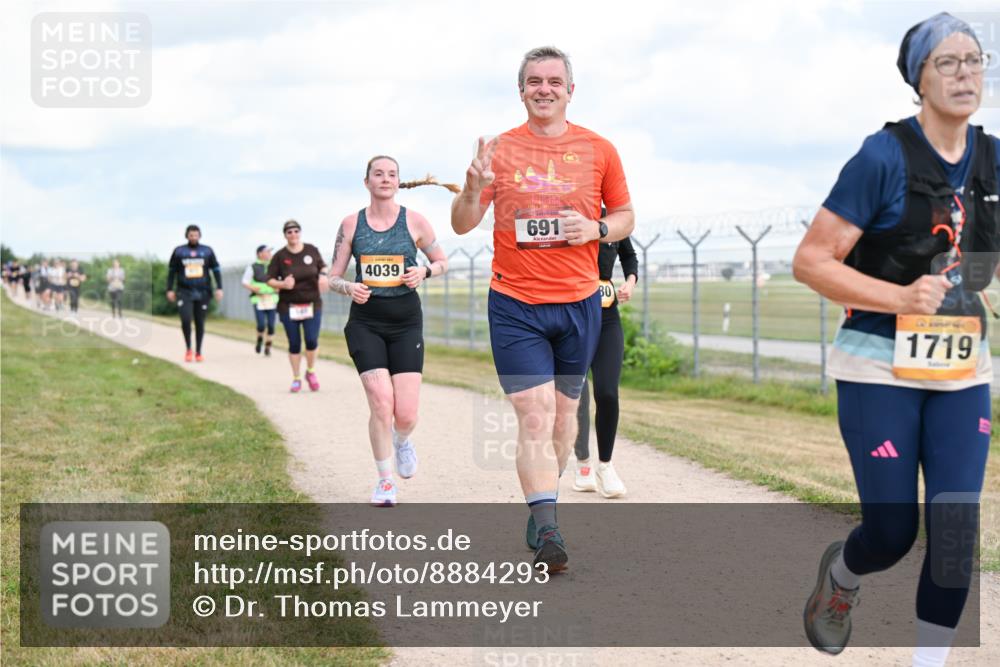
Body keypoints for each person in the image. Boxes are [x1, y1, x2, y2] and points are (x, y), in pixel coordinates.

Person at [793, 13, 998, 666]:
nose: (965, 73)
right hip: (877, 366)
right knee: (891, 531)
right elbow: (812, 260)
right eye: (947, 62)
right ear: (919, 78)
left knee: (956, 533)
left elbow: (987, 257)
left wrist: (975, 278)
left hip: (962, 369)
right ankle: (844, 578)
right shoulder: (882, 157)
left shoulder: (994, 159)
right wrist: (902, 297)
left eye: (975, 59)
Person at [451, 46, 634, 571]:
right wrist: (471, 189)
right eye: (535, 81)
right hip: (515, 302)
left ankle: (541, 503)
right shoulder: (500, 151)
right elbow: (463, 223)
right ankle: (550, 528)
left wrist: (598, 229)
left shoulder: (600, 149)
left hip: (579, 305)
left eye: (555, 81)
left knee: (563, 421)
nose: (544, 89)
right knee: (534, 415)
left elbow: (624, 216)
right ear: (522, 89)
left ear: (570, 90)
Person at [328, 157, 452, 507]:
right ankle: (385, 482)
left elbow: (442, 261)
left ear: (399, 182)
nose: (385, 179)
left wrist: (424, 273)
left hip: (405, 322)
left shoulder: (414, 221)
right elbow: (332, 277)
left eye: (391, 174)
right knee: (381, 403)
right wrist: (348, 288)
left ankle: (402, 440)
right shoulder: (351, 224)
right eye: (378, 174)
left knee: (406, 414)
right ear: (366, 182)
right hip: (365, 322)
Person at [572, 230, 638, 498]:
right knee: (577, 393)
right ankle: (583, 463)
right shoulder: (569, 219)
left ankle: (606, 465)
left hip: (607, 318)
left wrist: (630, 282)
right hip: (572, 316)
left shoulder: (612, 221)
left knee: (607, 392)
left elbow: (629, 255)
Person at [267, 220, 327, 391]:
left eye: (295, 231)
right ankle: (296, 378)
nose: (293, 234)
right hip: (289, 305)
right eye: (289, 232)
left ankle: (310, 371)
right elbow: (269, 280)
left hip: (312, 303)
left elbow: (323, 266)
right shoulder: (279, 256)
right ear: (285, 235)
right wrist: (283, 284)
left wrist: (323, 275)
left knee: (311, 340)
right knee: (294, 343)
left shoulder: (311, 250)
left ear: (300, 232)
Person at [166, 225, 223, 362]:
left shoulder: (207, 251)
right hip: (184, 291)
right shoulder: (179, 251)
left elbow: (216, 270)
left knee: (200, 322)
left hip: (203, 291)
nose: (193, 238)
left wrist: (219, 288)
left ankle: (198, 351)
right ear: (187, 236)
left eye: (196, 235)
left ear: (199, 236)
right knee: (185, 319)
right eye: (191, 235)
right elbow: (171, 272)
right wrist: (169, 289)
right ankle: (188, 349)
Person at [242, 245, 278, 356]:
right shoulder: (253, 266)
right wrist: (253, 288)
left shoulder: (274, 266)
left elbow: (280, 280)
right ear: (260, 254)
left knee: (271, 325)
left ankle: (268, 346)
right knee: (261, 324)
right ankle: (259, 339)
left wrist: (278, 287)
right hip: (258, 299)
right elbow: (245, 281)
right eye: (267, 252)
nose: (270, 254)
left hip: (271, 298)